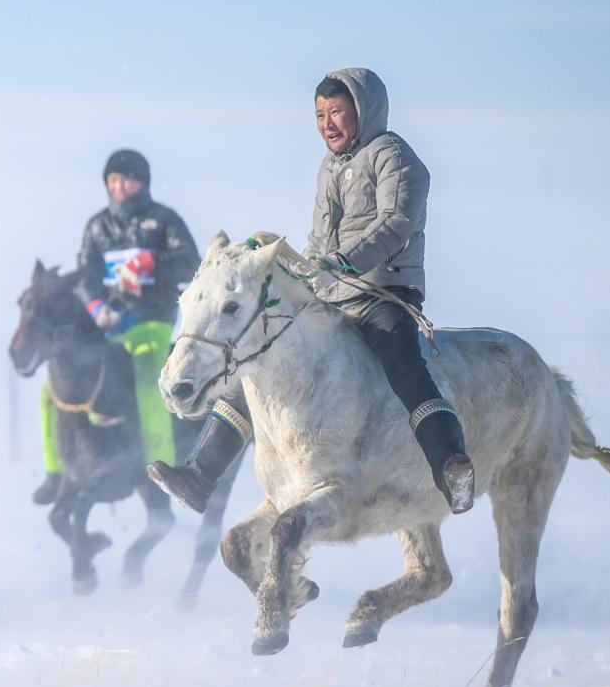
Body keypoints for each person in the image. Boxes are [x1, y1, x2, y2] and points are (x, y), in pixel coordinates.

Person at [149, 68, 475, 515]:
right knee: (261, 358)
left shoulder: (394, 157)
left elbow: (396, 222)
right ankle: (200, 475)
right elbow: (320, 240)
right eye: (320, 114)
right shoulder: (330, 167)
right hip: (331, 294)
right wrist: (303, 270)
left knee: (405, 369)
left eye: (337, 111)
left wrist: (346, 262)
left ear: (364, 110)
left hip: (384, 292)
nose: (327, 123)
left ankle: (450, 467)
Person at [33, 148, 201, 505]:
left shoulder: (163, 220)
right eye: (113, 180)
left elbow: (191, 265)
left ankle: (164, 469)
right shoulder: (97, 226)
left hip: (151, 323)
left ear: (142, 182)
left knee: (146, 381)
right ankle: (56, 470)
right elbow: (84, 275)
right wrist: (94, 305)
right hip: (107, 327)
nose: (119, 186)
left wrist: (151, 269)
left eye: (126, 179)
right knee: (52, 391)